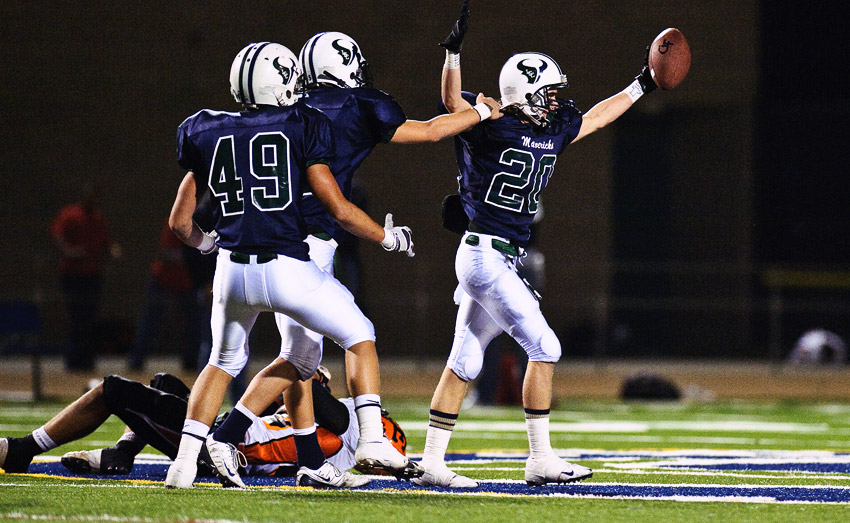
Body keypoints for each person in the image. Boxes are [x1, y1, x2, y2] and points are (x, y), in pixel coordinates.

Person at [415, 1, 663, 488]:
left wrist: (641, 84)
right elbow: (451, 103)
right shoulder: (490, 124)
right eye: (547, 93)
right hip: (485, 255)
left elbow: (593, 118)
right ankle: (540, 458)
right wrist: (453, 54)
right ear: (523, 94)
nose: (555, 102)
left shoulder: (548, 132)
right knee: (545, 346)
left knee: (465, 359)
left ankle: (431, 463)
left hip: (497, 255)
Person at [252, 30, 501, 487]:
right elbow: (429, 131)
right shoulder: (362, 105)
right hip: (309, 243)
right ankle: (225, 439)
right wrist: (482, 112)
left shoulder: (289, 109)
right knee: (346, 337)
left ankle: (308, 460)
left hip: (259, 238)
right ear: (344, 64)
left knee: (295, 356)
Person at [164, 41, 417, 491]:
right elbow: (337, 207)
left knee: (222, 362)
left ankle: (184, 465)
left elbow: (181, 223)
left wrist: (207, 245)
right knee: (360, 334)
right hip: (286, 266)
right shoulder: (301, 123)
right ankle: (372, 440)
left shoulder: (204, 129)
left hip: (230, 269)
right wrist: (388, 237)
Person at [0, 369, 406, 487]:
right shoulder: (339, 438)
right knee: (164, 383)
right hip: (228, 438)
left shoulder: (343, 434)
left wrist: (310, 370)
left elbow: (313, 398)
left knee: (112, 390)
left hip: (222, 448)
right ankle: (121, 455)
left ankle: (24, 449)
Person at [50, 184, 122, 371]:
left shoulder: (97, 219)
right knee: (76, 317)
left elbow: (106, 242)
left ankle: (86, 361)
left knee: (89, 318)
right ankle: (73, 361)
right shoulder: (70, 214)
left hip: (92, 275)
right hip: (72, 274)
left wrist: (113, 250)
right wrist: (70, 251)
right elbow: (57, 236)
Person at [127, 222, 199, 371]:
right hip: (163, 280)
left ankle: (191, 363)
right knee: (150, 323)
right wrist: (192, 255)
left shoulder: (204, 223)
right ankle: (136, 362)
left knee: (192, 326)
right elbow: (165, 251)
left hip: (187, 282)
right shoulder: (177, 221)